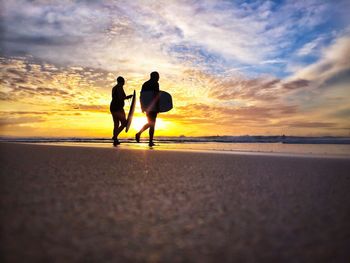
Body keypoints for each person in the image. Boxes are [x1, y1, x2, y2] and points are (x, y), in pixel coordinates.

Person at [136, 71, 160, 147]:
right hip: (153, 107)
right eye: (158, 76)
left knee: (151, 123)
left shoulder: (145, 84)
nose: (158, 78)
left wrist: (142, 106)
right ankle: (145, 138)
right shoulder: (155, 83)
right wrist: (158, 107)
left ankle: (146, 138)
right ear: (154, 77)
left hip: (147, 107)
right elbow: (156, 96)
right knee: (152, 124)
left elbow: (141, 96)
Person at [110, 76, 133, 146]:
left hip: (113, 107)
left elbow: (116, 97)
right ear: (122, 81)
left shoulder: (114, 88)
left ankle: (115, 140)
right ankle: (115, 136)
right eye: (123, 81)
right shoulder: (119, 87)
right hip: (118, 108)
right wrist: (128, 97)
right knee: (124, 123)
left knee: (116, 124)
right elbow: (121, 98)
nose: (124, 83)